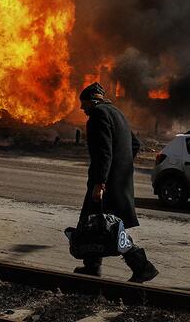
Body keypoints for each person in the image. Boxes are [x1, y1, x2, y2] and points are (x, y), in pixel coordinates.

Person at [74, 82, 159, 283]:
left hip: (106, 185)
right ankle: (92, 266)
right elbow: (135, 144)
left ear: (92, 101)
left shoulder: (98, 115)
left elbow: (103, 153)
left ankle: (142, 266)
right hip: (119, 183)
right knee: (95, 224)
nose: (82, 108)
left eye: (83, 103)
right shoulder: (117, 113)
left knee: (106, 227)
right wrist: (122, 167)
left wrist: (100, 184)